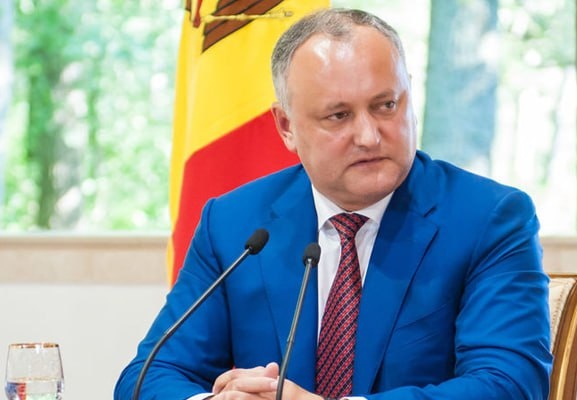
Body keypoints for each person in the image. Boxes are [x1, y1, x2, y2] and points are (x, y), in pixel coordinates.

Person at [114, 8, 552, 400]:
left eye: (386, 105)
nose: (369, 136)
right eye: (339, 116)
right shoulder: (234, 224)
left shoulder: (489, 219)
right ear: (286, 126)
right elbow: (147, 377)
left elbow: (510, 383)